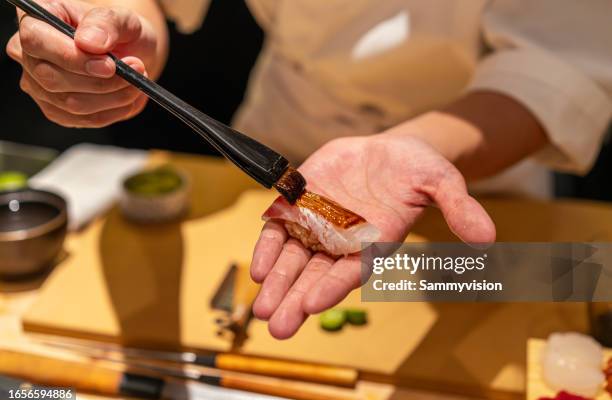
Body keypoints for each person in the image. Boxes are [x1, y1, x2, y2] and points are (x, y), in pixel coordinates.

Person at [6, 0, 612, 339]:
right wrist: (115, 40)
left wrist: (414, 146)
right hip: (276, 151)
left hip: (472, 167)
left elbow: (559, 70)